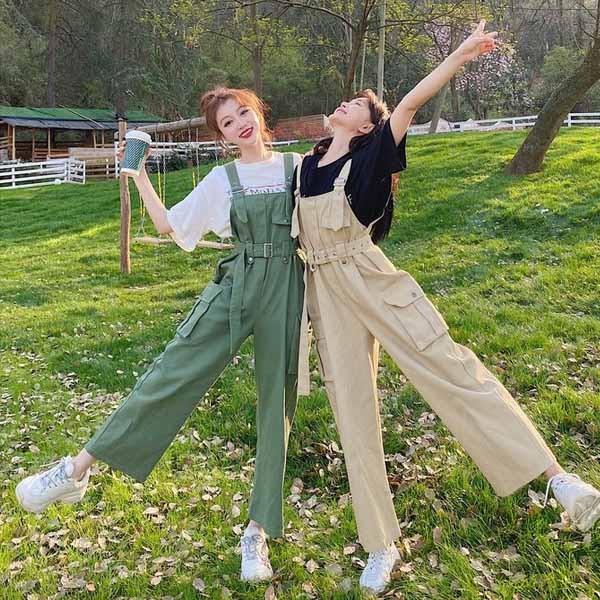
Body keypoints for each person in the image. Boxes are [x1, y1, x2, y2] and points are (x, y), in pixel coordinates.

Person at [291, 20, 600, 594]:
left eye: (358, 104)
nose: (346, 103)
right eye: (348, 100)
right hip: (326, 296)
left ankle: (557, 479)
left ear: (368, 127)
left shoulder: (373, 155)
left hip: (372, 280)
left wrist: (459, 54)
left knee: (453, 370)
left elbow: (409, 103)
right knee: (352, 416)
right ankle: (381, 544)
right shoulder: (304, 167)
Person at [16, 86, 306, 583]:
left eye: (243, 112)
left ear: (259, 113)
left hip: (286, 287)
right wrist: (139, 175)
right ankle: (76, 469)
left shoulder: (297, 168)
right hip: (235, 286)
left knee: (275, 404)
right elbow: (168, 226)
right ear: (222, 137)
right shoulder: (222, 179)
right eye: (227, 122)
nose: (239, 124)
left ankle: (257, 532)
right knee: (169, 372)